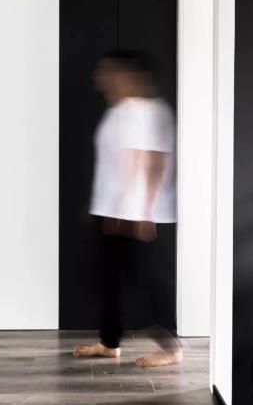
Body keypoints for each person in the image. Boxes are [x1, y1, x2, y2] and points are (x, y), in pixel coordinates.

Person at [73, 50, 181, 367]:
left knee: (148, 280)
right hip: (114, 212)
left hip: (138, 216)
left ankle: (171, 349)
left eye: (110, 72)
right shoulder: (119, 111)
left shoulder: (149, 111)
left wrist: (143, 211)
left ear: (131, 74)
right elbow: (117, 165)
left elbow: (153, 160)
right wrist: (105, 205)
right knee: (106, 279)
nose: (102, 78)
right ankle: (109, 342)